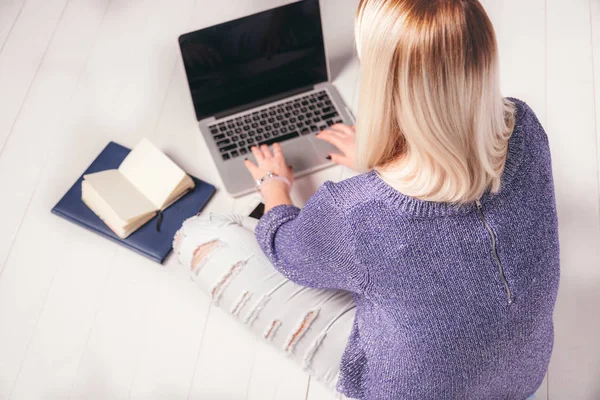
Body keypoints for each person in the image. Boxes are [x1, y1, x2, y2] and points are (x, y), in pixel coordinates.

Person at [173, 0, 560, 398]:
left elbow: (285, 251)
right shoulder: (526, 127)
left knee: (201, 233)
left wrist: (274, 183)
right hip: (524, 378)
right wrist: (391, 160)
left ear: (383, 81)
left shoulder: (355, 212)